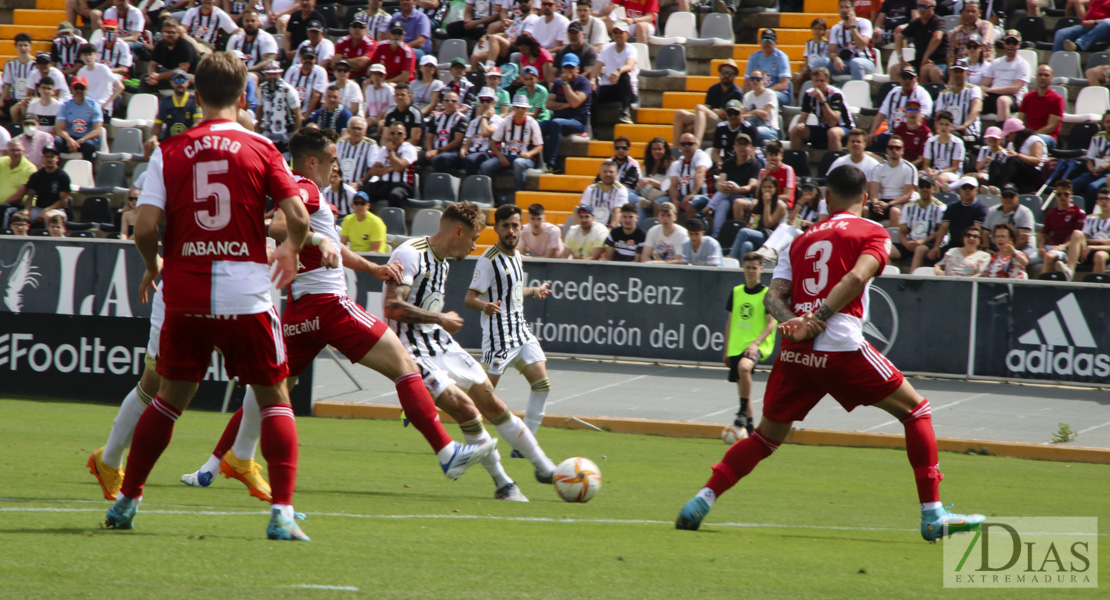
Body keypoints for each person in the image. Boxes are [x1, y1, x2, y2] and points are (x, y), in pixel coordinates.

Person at [178, 127, 497, 500]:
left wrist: (373, 269)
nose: (336, 168)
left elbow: (328, 246)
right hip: (328, 305)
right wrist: (315, 238)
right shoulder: (306, 188)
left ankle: (215, 465)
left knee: (267, 391)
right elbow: (282, 226)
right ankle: (447, 452)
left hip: (299, 314)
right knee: (404, 364)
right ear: (313, 161)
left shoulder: (311, 197)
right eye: (331, 160)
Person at [675, 165, 986, 540]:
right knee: (916, 411)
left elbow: (774, 298)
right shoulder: (872, 231)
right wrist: (818, 317)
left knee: (765, 438)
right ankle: (933, 514)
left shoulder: (799, 240)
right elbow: (856, 277)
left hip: (794, 354)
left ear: (826, 197)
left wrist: (793, 323)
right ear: (866, 199)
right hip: (839, 346)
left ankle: (702, 499)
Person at [105, 52, 312, 541]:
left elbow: (146, 227)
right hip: (246, 295)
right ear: (244, 98)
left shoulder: (171, 149)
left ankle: (128, 501)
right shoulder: (261, 147)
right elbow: (299, 218)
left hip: (186, 294)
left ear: (195, 96)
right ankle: (281, 514)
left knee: (168, 401)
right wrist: (291, 250)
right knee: (274, 400)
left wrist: (155, 264)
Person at [385, 202, 561, 498]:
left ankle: (544, 467)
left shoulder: (443, 261)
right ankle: (503, 483)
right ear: (458, 231)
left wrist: (438, 323)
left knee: (492, 403)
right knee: (466, 408)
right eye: (474, 238)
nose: (475, 245)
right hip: (410, 351)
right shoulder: (410, 253)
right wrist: (440, 317)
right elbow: (392, 306)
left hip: (439, 343)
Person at [465, 203, 555, 448]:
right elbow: (469, 298)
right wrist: (484, 306)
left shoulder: (516, 255)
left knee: (542, 384)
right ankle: (428, 403)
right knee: (479, 397)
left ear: (521, 227)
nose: (511, 231)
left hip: (521, 331)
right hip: (499, 336)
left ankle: (527, 444)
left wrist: (534, 291)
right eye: (506, 226)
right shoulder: (488, 260)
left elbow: (513, 292)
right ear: (496, 228)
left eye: (515, 225)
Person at [721, 252, 776, 435]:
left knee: (745, 369)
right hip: (737, 346)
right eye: (748, 268)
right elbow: (729, 322)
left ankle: (742, 412)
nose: (751, 271)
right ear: (743, 269)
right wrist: (727, 350)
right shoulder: (736, 292)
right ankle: (752, 430)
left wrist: (756, 344)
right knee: (743, 390)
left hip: (758, 345)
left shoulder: (767, 294)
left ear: (761, 270)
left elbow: (771, 324)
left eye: (754, 268)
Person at [672, 60, 742, 150]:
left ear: (734, 76)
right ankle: (675, 151)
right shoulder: (713, 89)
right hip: (710, 120)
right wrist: (715, 112)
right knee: (679, 114)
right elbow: (708, 107)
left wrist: (719, 112)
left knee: (699, 108)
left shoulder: (737, 93)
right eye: (724, 72)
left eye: (730, 74)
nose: (726, 76)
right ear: (719, 74)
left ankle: (696, 145)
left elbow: (732, 116)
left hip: (724, 124)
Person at [541, 54, 591, 172]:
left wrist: (565, 84)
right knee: (536, 126)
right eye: (566, 67)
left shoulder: (583, 83)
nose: (568, 70)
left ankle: (550, 163)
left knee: (556, 123)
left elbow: (574, 103)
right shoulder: (557, 82)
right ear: (562, 68)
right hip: (559, 120)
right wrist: (565, 105)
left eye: (571, 67)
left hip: (577, 122)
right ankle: (537, 160)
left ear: (577, 68)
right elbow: (548, 104)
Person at [867, 66, 933, 153]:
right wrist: (872, 132)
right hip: (890, 133)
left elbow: (923, 117)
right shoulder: (893, 92)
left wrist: (905, 132)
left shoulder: (922, 94)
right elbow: (881, 114)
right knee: (869, 144)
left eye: (910, 77)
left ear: (916, 79)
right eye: (904, 77)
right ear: (900, 79)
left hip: (909, 135)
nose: (907, 80)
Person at [484, 95, 544, 190]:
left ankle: (519, 195)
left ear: (527, 109)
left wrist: (529, 154)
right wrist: (500, 156)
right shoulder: (506, 121)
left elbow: (539, 146)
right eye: (517, 107)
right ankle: (490, 195)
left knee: (518, 163)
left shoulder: (532, 123)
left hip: (525, 158)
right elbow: (493, 142)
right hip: (507, 156)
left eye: (523, 108)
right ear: (513, 108)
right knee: (485, 166)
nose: (520, 110)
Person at [3, 146, 71, 228]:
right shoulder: (37, 175)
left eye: (52, 157)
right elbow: (30, 196)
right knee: (19, 217)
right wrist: (27, 210)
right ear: (42, 158)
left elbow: (64, 201)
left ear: (57, 159)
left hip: (57, 210)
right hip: (38, 209)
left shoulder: (62, 176)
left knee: (48, 217)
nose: (49, 159)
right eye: (47, 157)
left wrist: (47, 210)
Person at [708, 134, 762, 237]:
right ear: (734, 147)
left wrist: (736, 189)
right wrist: (723, 186)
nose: (742, 147)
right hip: (728, 195)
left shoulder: (755, 165)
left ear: (750, 147)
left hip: (746, 197)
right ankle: (716, 235)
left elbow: (751, 186)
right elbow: (720, 183)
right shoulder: (728, 163)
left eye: (745, 144)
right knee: (723, 203)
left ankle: (708, 208)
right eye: (739, 144)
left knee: (734, 194)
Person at [789, 67, 853, 152]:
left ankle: (835, 162)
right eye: (816, 81)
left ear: (827, 82)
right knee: (795, 130)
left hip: (843, 128)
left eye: (822, 81)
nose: (818, 84)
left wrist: (822, 101)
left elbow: (833, 121)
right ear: (812, 82)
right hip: (823, 128)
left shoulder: (836, 95)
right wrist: (801, 124)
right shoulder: (809, 94)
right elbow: (803, 117)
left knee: (833, 133)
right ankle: (796, 161)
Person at [927, 176, 988, 262]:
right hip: (952, 244)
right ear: (959, 190)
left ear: (976, 190)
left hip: (970, 246)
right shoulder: (952, 206)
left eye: (970, 188)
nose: (967, 190)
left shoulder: (980, 208)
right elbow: (943, 229)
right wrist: (936, 247)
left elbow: (976, 231)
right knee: (931, 258)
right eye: (964, 187)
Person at [897, 175, 946, 272]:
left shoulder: (940, 207)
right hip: (911, 242)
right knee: (888, 250)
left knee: (920, 249)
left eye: (927, 186)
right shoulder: (908, 207)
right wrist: (906, 243)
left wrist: (924, 241)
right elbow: (902, 231)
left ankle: (911, 282)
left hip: (930, 243)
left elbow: (942, 230)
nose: (924, 189)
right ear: (917, 189)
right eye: (921, 186)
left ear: (934, 189)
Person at [983, 183, 1038, 269]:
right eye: (1005, 196)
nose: (1008, 199)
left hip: (1021, 250)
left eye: (1011, 196)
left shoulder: (1025, 212)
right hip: (996, 248)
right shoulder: (992, 211)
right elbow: (985, 233)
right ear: (1001, 197)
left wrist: (1006, 252)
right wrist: (986, 249)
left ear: (1017, 197)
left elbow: (1023, 238)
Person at [1040, 180, 1088, 280]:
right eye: (1059, 194)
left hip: (1065, 249)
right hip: (1049, 246)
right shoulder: (1050, 213)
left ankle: (1040, 287)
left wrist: (1061, 246)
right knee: (1022, 256)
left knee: (1049, 257)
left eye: (1065, 194)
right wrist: (1040, 247)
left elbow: (1078, 237)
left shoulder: (1078, 213)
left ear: (1071, 195)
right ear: (1055, 195)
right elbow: (1043, 234)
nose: (1062, 197)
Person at [592, 21, 637, 124]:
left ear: (627, 35)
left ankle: (626, 113)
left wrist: (618, 71)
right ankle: (591, 126)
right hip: (609, 87)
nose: (618, 35)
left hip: (627, 90)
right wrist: (592, 80)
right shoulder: (606, 48)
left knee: (624, 76)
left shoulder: (632, 49)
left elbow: (629, 65)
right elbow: (597, 66)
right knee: (591, 91)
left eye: (621, 33)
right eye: (615, 32)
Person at [730, 177, 787, 259]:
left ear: (775, 189)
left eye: (770, 187)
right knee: (747, 245)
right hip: (759, 234)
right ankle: (741, 269)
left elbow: (768, 225)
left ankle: (731, 258)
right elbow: (754, 222)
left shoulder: (780, 205)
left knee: (744, 232)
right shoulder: (759, 203)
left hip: (772, 238)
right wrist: (751, 226)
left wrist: (767, 205)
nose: (767, 190)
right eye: (764, 187)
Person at [979, 30, 1029, 124]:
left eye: (1014, 43)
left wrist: (990, 90)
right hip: (993, 96)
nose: (1010, 45)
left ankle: (1003, 135)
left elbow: (1015, 88)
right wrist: (982, 92)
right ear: (1003, 44)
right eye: (1008, 42)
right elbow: (983, 85)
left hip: (1012, 99)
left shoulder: (1023, 64)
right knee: (974, 99)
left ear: (1018, 45)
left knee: (1002, 100)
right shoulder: (995, 62)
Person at [364, 122, 418, 207]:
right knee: (363, 194)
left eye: (399, 133)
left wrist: (391, 151)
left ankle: (394, 219)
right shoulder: (384, 149)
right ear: (389, 134)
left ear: (405, 135)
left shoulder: (409, 149)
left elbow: (398, 168)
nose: (396, 136)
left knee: (395, 196)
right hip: (384, 183)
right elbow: (373, 171)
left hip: (402, 185)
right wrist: (389, 168)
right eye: (393, 133)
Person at [147, 70, 202, 154]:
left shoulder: (195, 101)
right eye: (176, 80)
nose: (180, 83)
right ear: (172, 83)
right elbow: (157, 126)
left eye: (182, 80)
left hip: (189, 144)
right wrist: (153, 137)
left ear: (187, 83)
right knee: (149, 146)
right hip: (169, 143)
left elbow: (197, 124)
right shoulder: (164, 102)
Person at [866, 136, 917, 226]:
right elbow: (873, 193)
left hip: (900, 203)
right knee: (865, 209)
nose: (894, 150)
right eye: (891, 148)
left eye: (897, 148)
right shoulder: (878, 168)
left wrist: (889, 205)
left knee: (894, 211)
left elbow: (907, 196)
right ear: (887, 150)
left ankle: (893, 239)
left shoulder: (909, 168)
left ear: (902, 151)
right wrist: (875, 204)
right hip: (882, 202)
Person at [822, 0, 878, 81]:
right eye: (841, 7)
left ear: (853, 9)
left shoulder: (864, 23)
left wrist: (852, 27)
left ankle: (857, 91)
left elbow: (861, 46)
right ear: (838, 10)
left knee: (856, 63)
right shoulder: (836, 28)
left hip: (865, 61)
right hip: (844, 63)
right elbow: (831, 51)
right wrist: (836, 59)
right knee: (820, 63)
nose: (844, 10)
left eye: (847, 7)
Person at [54, 76, 105, 162]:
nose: (79, 91)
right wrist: (69, 140)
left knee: (89, 146)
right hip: (70, 138)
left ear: (86, 89)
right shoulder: (65, 106)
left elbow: (97, 131)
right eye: (76, 88)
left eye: (82, 88)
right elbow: (59, 129)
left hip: (86, 139)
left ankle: (89, 171)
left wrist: (81, 141)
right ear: (71, 89)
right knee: (57, 142)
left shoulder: (94, 106)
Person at [894, 0, 947, 83]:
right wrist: (901, 59)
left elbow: (937, 38)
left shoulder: (938, 21)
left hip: (938, 62)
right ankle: (901, 94)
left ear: (933, 8)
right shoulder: (915, 23)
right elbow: (899, 37)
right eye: (919, 6)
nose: (922, 9)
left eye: (926, 7)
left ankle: (924, 95)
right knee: (895, 69)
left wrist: (925, 57)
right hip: (919, 62)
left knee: (926, 70)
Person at [1016, 66, 1064, 151]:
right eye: (1040, 75)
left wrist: (1032, 136)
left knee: (1034, 141)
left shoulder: (1057, 99)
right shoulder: (1028, 97)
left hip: (1047, 137)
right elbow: (1020, 120)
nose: (1043, 77)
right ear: (1036, 77)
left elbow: (1052, 126)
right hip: (1029, 135)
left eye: (1046, 75)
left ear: (1051, 78)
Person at [934, 59, 983, 142]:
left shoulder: (974, 89)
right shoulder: (944, 93)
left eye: (961, 71)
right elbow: (938, 115)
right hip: (947, 132)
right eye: (955, 71)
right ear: (951, 73)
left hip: (968, 133)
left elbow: (977, 108)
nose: (958, 74)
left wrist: (964, 125)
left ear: (967, 74)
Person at [143, 19, 198, 92]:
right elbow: (153, 64)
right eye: (166, 33)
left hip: (185, 77)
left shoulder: (185, 46)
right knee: (145, 79)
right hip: (167, 76)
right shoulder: (160, 45)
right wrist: (152, 76)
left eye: (172, 33)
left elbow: (183, 69)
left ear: (178, 33)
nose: (169, 35)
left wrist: (159, 76)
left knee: (180, 78)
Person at [1071, 111, 1110, 211]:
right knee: (1074, 184)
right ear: (1103, 123)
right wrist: (1092, 170)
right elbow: (1090, 159)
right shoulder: (1097, 138)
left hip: (1108, 174)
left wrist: (1106, 165)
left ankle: (1088, 214)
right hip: (1095, 171)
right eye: (1108, 122)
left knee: (1093, 187)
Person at [668, 133, 713, 220]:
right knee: (659, 203)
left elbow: (700, 172)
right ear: (679, 146)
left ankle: (691, 231)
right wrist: (675, 201)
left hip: (704, 195)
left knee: (689, 204)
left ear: (696, 145)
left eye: (690, 144)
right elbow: (673, 185)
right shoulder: (676, 164)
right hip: (683, 196)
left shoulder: (702, 156)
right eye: (683, 144)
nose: (686, 146)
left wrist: (693, 193)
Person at [997, 118, 1048, 195]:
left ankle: (1002, 188)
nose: (1007, 138)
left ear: (1015, 133)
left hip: (1034, 173)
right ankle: (993, 188)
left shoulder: (1034, 140)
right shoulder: (1012, 144)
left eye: (1008, 136)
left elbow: (1037, 161)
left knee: (1013, 160)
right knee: (996, 163)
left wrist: (1017, 155)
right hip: (1020, 172)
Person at [461, 87, 504, 176]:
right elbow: (468, 141)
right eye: (482, 100)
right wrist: (463, 149)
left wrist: (484, 117)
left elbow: (486, 132)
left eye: (488, 100)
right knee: (442, 159)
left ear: (493, 102)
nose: (484, 103)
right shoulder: (474, 122)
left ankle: (473, 186)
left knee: (470, 159)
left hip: (488, 153)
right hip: (473, 151)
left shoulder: (499, 120)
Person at [226, 8, 279, 77]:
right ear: (243, 22)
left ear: (258, 22)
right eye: (247, 21)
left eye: (253, 21)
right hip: (236, 73)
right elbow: (227, 58)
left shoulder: (267, 38)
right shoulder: (235, 38)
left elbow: (268, 61)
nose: (250, 23)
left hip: (258, 74)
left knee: (251, 77)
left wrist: (247, 70)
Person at [425, 90, 469, 171]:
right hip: (435, 150)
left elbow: (457, 141)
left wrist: (438, 151)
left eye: (453, 101)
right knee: (415, 156)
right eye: (447, 100)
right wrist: (429, 151)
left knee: (440, 159)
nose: (450, 103)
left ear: (458, 104)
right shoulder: (436, 117)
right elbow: (429, 137)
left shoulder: (461, 119)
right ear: (442, 103)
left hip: (452, 152)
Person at [921, 110, 965, 188]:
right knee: (917, 176)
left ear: (951, 126)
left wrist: (939, 172)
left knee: (940, 179)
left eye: (946, 125)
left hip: (951, 173)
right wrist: (929, 171)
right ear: (937, 124)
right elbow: (926, 164)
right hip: (934, 171)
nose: (943, 127)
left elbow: (955, 167)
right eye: (941, 124)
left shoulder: (957, 143)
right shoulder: (930, 141)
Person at [581, 160, 628, 228]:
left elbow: (618, 213)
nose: (608, 174)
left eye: (611, 172)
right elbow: (583, 210)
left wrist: (609, 231)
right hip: (591, 228)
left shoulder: (621, 190)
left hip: (613, 229)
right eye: (605, 172)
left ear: (616, 174)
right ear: (600, 174)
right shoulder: (591, 189)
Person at [946, 2, 993, 68]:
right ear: (963, 13)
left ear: (980, 13)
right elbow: (951, 54)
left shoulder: (985, 25)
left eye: (973, 11)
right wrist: (951, 70)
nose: (970, 14)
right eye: (967, 11)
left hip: (980, 66)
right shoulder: (957, 31)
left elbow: (985, 44)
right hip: (960, 68)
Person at [1, 33, 35, 122]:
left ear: (30, 47)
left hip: (31, 99)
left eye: (25, 45)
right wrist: (1, 100)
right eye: (20, 45)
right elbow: (7, 86)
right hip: (14, 99)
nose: (23, 48)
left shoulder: (36, 64)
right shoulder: (10, 64)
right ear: (16, 47)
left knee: (18, 109)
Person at [740, 70, 781, 145]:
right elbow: (742, 114)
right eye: (752, 79)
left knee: (752, 131)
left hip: (770, 128)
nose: (755, 81)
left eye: (758, 79)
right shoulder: (747, 96)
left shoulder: (770, 94)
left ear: (763, 80)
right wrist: (756, 112)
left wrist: (751, 112)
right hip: (752, 126)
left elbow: (764, 115)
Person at [637, 137, 674, 218]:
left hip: (663, 196)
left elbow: (666, 187)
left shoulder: (671, 166)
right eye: (654, 149)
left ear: (665, 150)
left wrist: (650, 181)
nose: (657, 151)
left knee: (657, 203)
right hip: (647, 196)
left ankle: (654, 224)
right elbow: (642, 184)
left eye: (660, 149)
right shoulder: (648, 165)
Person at [554, 21, 599, 87]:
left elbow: (588, 73)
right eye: (571, 33)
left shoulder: (590, 51)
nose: (573, 35)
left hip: (582, 85)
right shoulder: (561, 51)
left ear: (582, 34)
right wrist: (551, 84)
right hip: (563, 84)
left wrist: (572, 81)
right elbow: (553, 71)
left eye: (576, 33)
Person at [793, 18, 829, 91]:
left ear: (824, 31)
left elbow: (825, 58)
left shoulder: (826, 44)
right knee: (798, 78)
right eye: (815, 28)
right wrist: (806, 68)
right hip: (809, 68)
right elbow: (806, 56)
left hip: (820, 69)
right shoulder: (809, 43)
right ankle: (797, 95)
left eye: (820, 29)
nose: (817, 31)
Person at [363, 64, 396, 132]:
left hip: (385, 118)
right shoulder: (369, 89)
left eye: (379, 74)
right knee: (361, 125)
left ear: (383, 76)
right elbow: (368, 106)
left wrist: (380, 116)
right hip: (372, 117)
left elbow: (393, 107)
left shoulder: (389, 89)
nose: (376, 77)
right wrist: (365, 118)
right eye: (374, 74)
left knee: (381, 126)